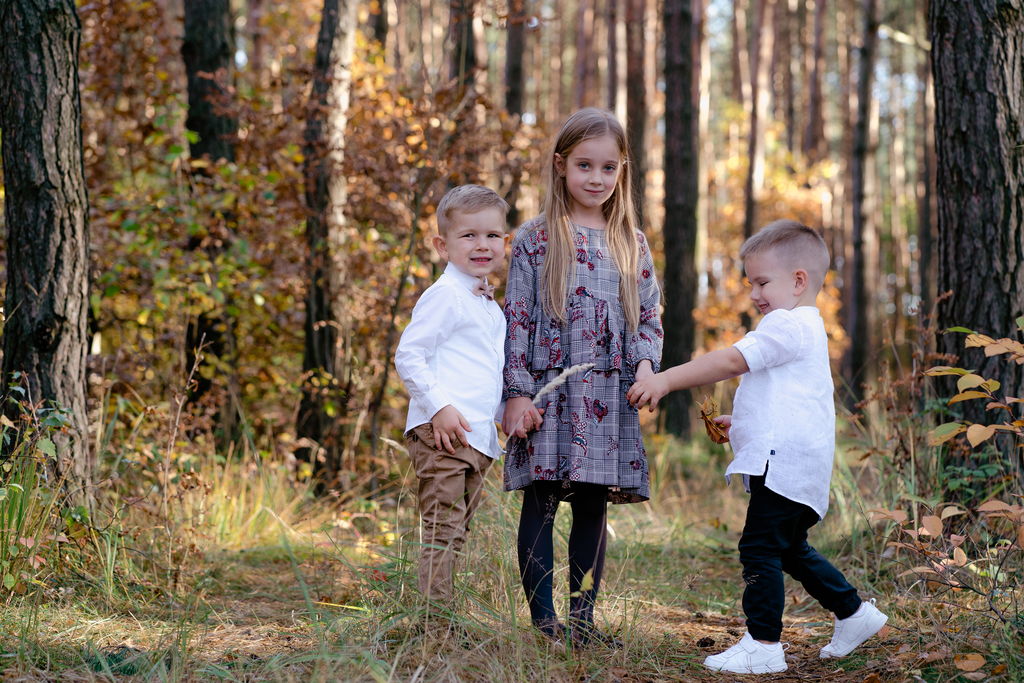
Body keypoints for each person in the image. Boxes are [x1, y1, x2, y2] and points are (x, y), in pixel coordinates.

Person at [627, 220, 888, 674]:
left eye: (762, 282)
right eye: (752, 284)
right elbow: (785, 399)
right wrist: (741, 421)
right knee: (789, 549)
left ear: (799, 280)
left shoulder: (788, 325)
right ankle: (854, 614)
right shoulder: (802, 328)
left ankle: (764, 644)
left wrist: (664, 379)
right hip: (796, 463)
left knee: (759, 549)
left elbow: (731, 360)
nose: (754, 294)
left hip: (785, 465)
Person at [502, 108, 664, 647]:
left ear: (622, 171)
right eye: (584, 166)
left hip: (609, 392)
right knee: (543, 500)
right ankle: (544, 622)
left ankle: (582, 620)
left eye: (608, 168)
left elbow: (647, 318)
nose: (596, 179)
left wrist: (645, 368)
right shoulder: (535, 239)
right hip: (550, 389)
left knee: (592, 503)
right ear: (561, 166)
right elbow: (517, 322)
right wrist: (517, 393)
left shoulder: (631, 243)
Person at [395, 184, 509, 605]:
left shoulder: (486, 304)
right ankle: (433, 625)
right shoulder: (445, 297)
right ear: (443, 245)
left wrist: (505, 414)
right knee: (443, 529)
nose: (482, 245)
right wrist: (439, 407)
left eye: (492, 235)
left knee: (457, 530)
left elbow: (483, 371)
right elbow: (409, 355)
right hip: (442, 434)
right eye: (469, 235)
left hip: (476, 438)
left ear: (504, 242)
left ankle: (441, 613)